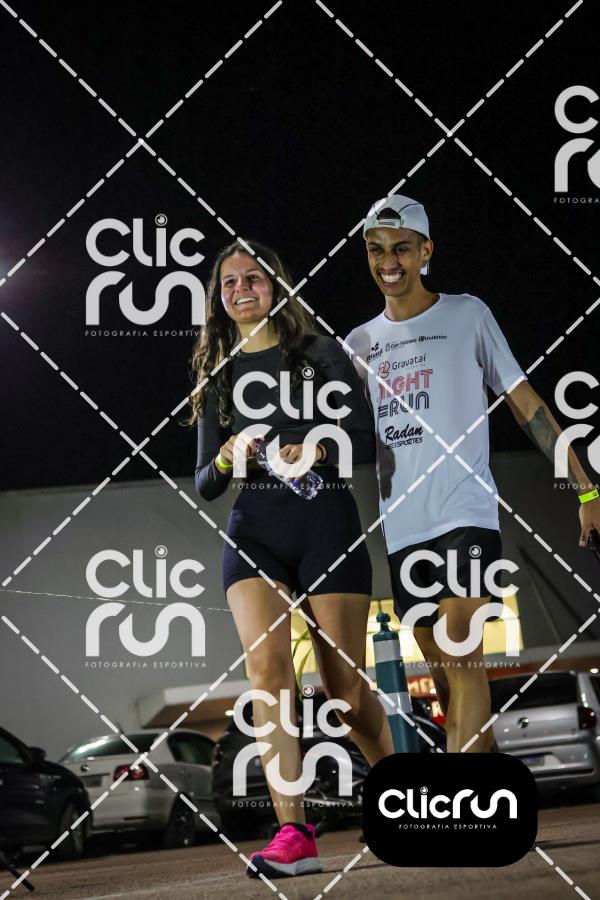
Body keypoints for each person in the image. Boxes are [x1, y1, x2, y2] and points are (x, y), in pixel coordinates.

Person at [345, 194, 600, 753]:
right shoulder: (359, 344)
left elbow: (526, 404)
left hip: (465, 512)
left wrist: (587, 490)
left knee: (461, 650)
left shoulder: (467, 314)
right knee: (444, 679)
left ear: (426, 251)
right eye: (376, 250)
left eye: (401, 248)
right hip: (403, 528)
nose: (389, 262)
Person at [191, 240, 393, 878]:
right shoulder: (218, 374)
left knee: (344, 693)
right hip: (255, 529)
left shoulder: (319, 353)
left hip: (326, 523)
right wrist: (227, 456)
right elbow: (205, 482)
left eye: (253, 278)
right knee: (267, 672)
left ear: (276, 286)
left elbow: (364, 438)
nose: (242, 290)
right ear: (218, 299)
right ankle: (294, 833)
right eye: (229, 283)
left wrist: (317, 447)